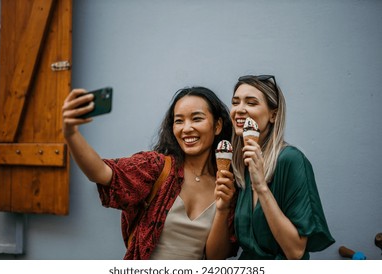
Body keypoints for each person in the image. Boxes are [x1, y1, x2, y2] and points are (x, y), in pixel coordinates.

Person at [62, 86, 237, 260]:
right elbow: (101, 172)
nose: (187, 128)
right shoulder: (156, 167)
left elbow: (216, 259)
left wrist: (223, 208)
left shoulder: (226, 183)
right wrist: (71, 134)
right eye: (179, 121)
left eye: (197, 119)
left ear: (217, 125)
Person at [230, 74, 335, 259]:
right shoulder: (240, 165)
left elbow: (295, 252)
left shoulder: (291, 160)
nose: (239, 109)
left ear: (273, 114)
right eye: (235, 102)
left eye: (251, 103)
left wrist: (261, 187)